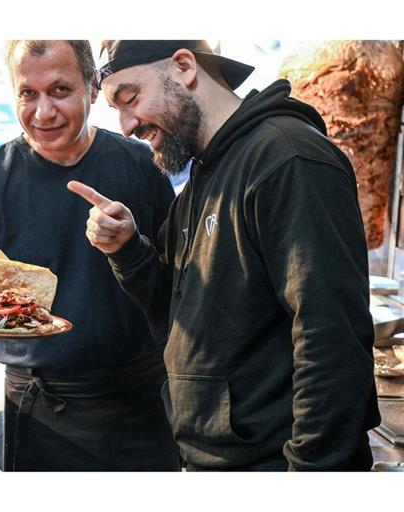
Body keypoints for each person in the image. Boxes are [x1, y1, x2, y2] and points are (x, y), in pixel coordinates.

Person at [68, 40, 381, 471]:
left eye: (130, 98)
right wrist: (127, 249)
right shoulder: (202, 179)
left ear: (182, 67)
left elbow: (330, 338)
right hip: (211, 459)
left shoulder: (287, 159)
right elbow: (180, 314)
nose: (125, 126)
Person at [0, 40, 180, 471]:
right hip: (40, 410)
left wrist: (130, 243)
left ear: (91, 87)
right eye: (28, 93)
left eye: (60, 90)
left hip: (140, 403)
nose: (42, 112)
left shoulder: (142, 165)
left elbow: (182, 284)